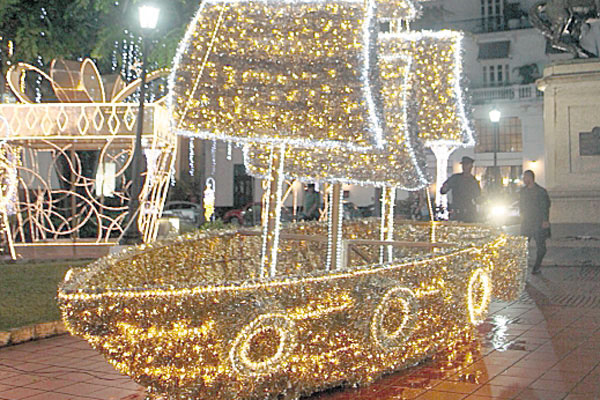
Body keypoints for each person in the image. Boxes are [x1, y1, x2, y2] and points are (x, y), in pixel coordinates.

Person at [519, 170, 551, 274]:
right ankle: (522, 268)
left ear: (530, 178)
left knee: (541, 247)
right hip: (526, 222)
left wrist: (545, 220)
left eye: (525, 177)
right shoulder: (523, 191)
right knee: (522, 246)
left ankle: (536, 267)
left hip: (538, 222)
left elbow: (545, 206)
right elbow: (521, 205)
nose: (524, 180)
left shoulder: (540, 191)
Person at [440, 156, 481, 222]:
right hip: (457, 209)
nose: (465, 167)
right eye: (464, 165)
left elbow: (477, 196)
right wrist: (445, 188)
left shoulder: (473, 181)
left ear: (471, 166)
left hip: (469, 211)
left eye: (467, 165)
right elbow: (443, 190)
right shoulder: (455, 178)